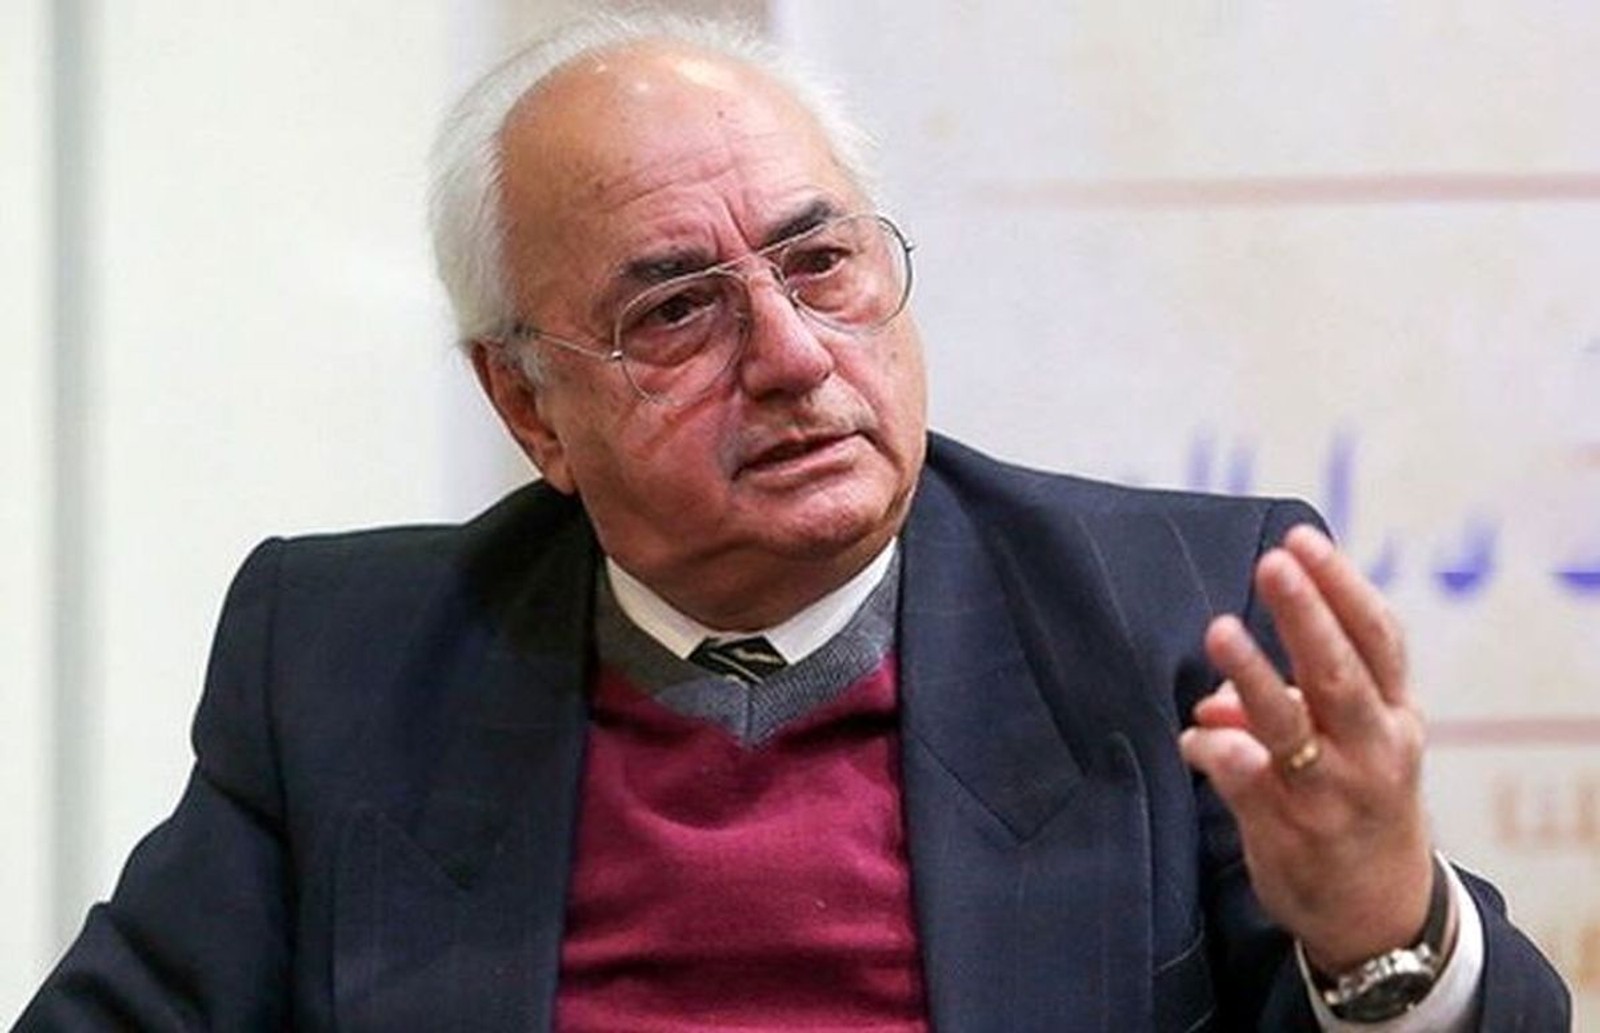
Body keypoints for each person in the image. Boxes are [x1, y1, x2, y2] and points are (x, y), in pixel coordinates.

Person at [19, 13, 1569, 1032]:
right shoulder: (348, 662)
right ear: (529, 408)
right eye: (677, 311)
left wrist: (1380, 925)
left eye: (821, 263)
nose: (795, 356)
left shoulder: (1178, 614)